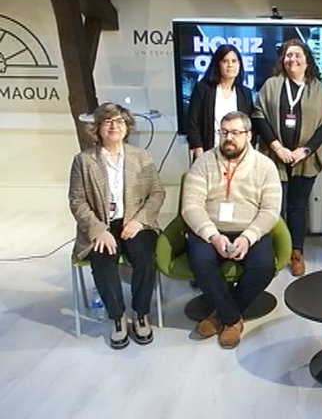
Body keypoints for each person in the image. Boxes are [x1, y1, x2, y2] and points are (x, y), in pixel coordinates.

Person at [69, 102, 165, 349]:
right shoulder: (83, 160)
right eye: (108, 121)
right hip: (102, 224)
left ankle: (141, 313)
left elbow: (157, 193)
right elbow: (77, 201)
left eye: (120, 121)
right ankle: (117, 316)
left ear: (127, 126)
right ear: (98, 128)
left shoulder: (141, 156)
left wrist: (139, 221)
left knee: (144, 258)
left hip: (135, 221)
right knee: (102, 260)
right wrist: (99, 230)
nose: (114, 126)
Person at [182, 111, 282, 349]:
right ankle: (232, 319)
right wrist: (213, 236)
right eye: (224, 132)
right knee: (200, 260)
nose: (228, 138)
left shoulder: (265, 166)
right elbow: (190, 206)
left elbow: (270, 210)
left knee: (264, 267)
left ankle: (221, 314)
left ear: (248, 135)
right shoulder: (203, 163)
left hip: (249, 230)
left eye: (235, 133)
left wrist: (248, 238)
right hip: (210, 230)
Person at [252, 39, 322, 277]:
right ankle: (275, 254)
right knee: (273, 208)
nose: (293, 60)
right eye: (288, 55)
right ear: (283, 60)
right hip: (273, 157)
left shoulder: (319, 89)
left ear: (307, 60)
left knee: (297, 208)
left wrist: (304, 151)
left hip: (305, 159)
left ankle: (296, 253)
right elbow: (258, 116)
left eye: (298, 55)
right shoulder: (272, 85)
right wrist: (277, 148)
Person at [186, 44, 255, 160]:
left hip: (238, 155)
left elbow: (250, 126)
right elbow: (192, 122)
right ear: (217, 64)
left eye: (234, 61)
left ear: (240, 64)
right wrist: (198, 149)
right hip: (208, 153)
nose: (230, 65)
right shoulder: (203, 89)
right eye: (225, 61)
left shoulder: (245, 93)